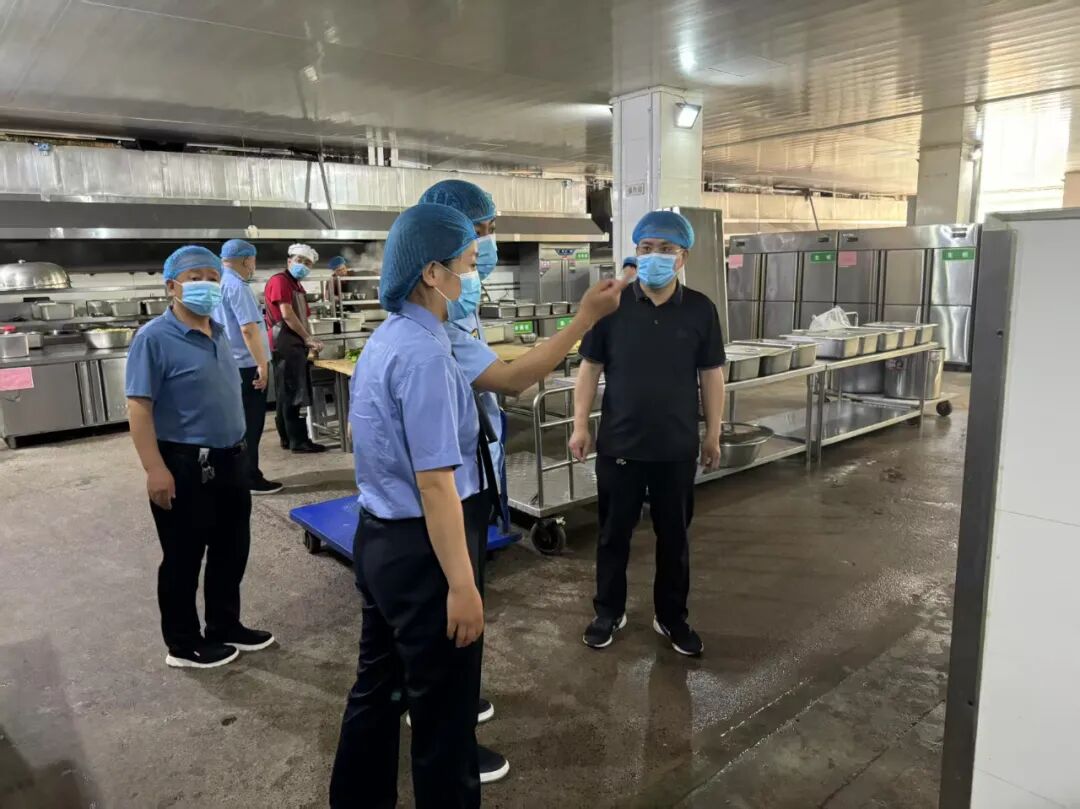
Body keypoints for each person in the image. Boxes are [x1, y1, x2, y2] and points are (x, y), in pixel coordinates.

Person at [417, 178, 626, 784]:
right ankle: (448, 738)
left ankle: (445, 700)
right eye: (474, 242)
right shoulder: (430, 338)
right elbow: (510, 381)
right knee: (453, 611)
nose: (483, 252)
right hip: (450, 489)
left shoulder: (447, 318)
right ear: (434, 263)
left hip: (467, 476)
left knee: (442, 625)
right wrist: (583, 319)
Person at [328, 203, 491, 808]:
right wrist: (462, 586)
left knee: (378, 688)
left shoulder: (388, 338)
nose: (472, 277)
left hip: (378, 539)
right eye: (467, 264)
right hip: (423, 551)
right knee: (444, 712)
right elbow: (436, 485)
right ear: (431, 272)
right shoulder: (426, 356)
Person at [570, 211, 727, 657]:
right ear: (635, 253)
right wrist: (580, 425)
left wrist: (713, 433)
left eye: (666, 249)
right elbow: (589, 369)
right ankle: (608, 611)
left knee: (674, 538)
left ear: (683, 257)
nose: (655, 256)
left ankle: (672, 617)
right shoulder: (611, 306)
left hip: (676, 446)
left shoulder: (700, 309)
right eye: (646, 248)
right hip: (619, 443)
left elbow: (711, 375)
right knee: (612, 535)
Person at [125, 245, 274, 669]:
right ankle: (183, 644)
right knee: (184, 557)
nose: (206, 286)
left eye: (212, 278)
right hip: (186, 464)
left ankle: (224, 625)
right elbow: (139, 407)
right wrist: (155, 469)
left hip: (231, 459)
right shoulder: (154, 338)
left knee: (231, 550)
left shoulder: (219, 331)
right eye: (195, 279)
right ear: (172, 286)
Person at [212, 239, 282, 495]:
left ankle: (235, 475)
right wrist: (262, 365)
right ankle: (249, 477)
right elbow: (248, 329)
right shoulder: (238, 286)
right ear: (246, 259)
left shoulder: (219, 282)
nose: (254, 265)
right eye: (253, 260)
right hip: (247, 364)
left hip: (230, 363)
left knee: (236, 423)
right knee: (250, 424)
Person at [263, 243, 326, 454]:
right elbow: (287, 315)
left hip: (291, 341)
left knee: (286, 393)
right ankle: (298, 442)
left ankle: (288, 438)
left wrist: (307, 337)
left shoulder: (296, 284)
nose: (303, 265)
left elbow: (302, 315)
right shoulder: (280, 281)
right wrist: (308, 338)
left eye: (308, 263)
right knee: (293, 393)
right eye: (299, 260)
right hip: (285, 341)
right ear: (289, 261)